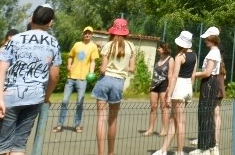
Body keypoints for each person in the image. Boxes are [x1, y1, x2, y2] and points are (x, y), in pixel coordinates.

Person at [0, 5, 61, 155]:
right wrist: (46, 97)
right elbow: (55, 76)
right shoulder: (53, 43)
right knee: (19, 145)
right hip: (35, 97)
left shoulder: (15, 39)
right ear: (50, 23)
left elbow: (0, 69)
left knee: (0, 147)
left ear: (31, 19)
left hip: (10, 97)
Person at [92, 18, 135, 155]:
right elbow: (132, 68)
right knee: (113, 120)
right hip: (118, 83)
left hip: (105, 80)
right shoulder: (131, 46)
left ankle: (101, 153)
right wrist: (122, 68)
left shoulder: (108, 45)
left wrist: (102, 67)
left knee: (101, 119)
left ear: (113, 30)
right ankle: (111, 152)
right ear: (126, 31)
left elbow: (103, 69)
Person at [152, 31, 197, 155]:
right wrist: (190, 89)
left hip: (179, 89)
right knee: (173, 120)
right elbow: (193, 74)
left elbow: (175, 77)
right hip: (188, 88)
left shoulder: (179, 57)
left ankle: (179, 151)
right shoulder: (194, 55)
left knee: (180, 121)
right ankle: (164, 149)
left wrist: (169, 95)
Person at [55, 25, 100, 133]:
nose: (87, 34)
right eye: (85, 33)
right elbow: (70, 56)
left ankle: (77, 125)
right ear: (83, 34)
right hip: (71, 77)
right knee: (65, 101)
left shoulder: (93, 47)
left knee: (80, 102)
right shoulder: (76, 44)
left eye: (89, 33)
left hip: (83, 79)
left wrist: (91, 73)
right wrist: (69, 65)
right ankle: (60, 125)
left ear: (92, 35)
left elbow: (93, 61)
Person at [193, 27, 224, 155]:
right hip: (211, 82)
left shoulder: (213, 53)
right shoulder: (215, 51)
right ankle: (209, 146)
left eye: (207, 38)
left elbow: (207, 72)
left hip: (209, 82)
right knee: (207, 113)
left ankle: (204, 148)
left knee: (205, 113)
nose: (205, 40)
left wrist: (194, 74)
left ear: (212, 39)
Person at [141, 42, 171, 136]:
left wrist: (169, 88)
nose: (158, 49)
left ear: (165, 48)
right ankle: (150, 129)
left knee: (164, 108)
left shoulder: (170, 59)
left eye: (160, 47)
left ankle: (164, 130)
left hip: (164, 85)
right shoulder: (158, 60)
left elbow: (170, 75)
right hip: (154, 85)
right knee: (153, 107)